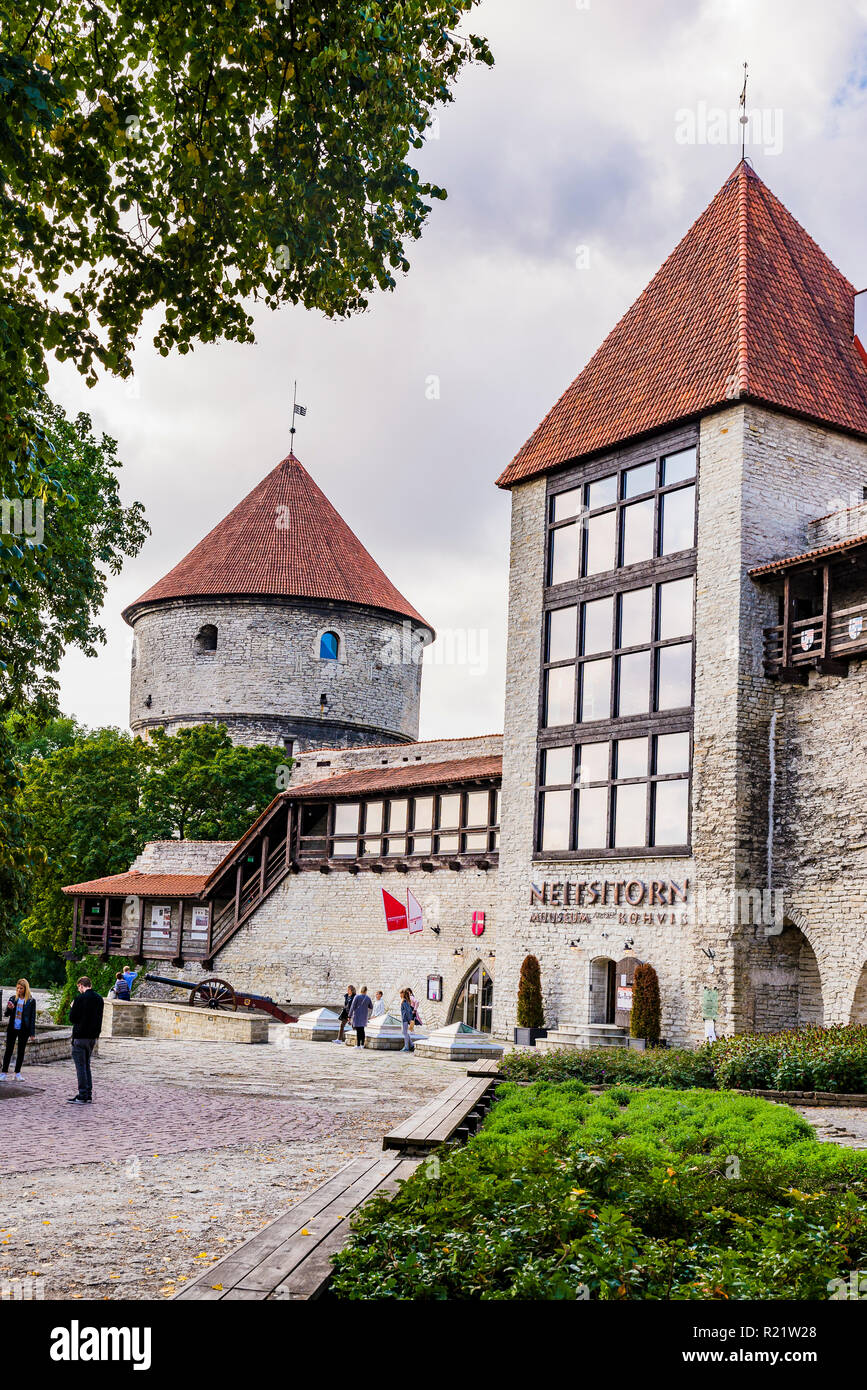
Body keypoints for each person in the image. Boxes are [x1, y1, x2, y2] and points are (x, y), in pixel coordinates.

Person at [67, 976, 104, 1105]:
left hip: (80, 1036)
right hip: (92, 1037)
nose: (79, 990)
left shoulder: (80, 999)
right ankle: (87, 1093)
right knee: (86, 1065)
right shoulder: (99, 999)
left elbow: (73, 1018)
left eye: (79, 987)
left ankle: (82, 1094)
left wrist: (73, 1007)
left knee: (81, 1066)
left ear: (81, 985)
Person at [0, 980, 36, 1082]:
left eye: (21, 988)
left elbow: (32, 1018)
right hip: (12, 1028)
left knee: (21, 1051)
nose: (19, 990)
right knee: (8, 1050)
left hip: (24, 1029)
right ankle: (3, 1073)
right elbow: (6, 1014)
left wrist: (32, 1033)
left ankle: (17, 1073)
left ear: (25, 989)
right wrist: (9, 1008)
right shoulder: (13, 998)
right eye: (18, 988)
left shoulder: (31, 1001)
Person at [399, 989, 415, 1054]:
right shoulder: (405, 1001)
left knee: (405, 1032)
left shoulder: (404, 1002)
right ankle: (411, 1044)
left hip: (405, 1019)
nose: (399, 995)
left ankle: (406, 1047)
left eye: (400, 993)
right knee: (405, 1032)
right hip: (404, 1019)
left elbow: (408, 1012)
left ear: (403, 994)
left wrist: (410, 1020)